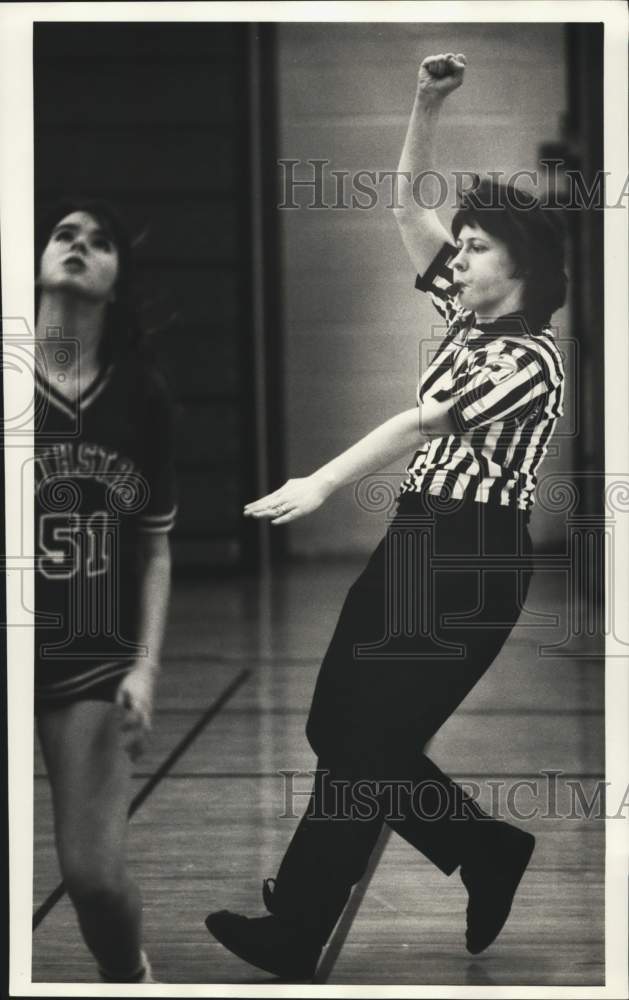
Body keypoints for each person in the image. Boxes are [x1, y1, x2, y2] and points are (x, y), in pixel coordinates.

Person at [206, 53, 567, 979]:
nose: (459, 255)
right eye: (464, 244)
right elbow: (406, 207)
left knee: (364, 742)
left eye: (477, 245)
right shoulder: (468, 320)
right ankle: (483, 850)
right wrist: (424, 102)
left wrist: (321, 482)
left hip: (472, 559)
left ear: (522, 266)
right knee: (343, 733)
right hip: (416, 539)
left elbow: (420, 423)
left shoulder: (529, 358)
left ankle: (300, 925)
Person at [34, 198, 176, 983]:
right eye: (64, 234)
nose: (78, 246)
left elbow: (154, 548)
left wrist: (144, 669)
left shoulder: (141, 397)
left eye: (99, 242)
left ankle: (130, 979)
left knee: (93, 880)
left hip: (91, 658)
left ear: (117, 280)